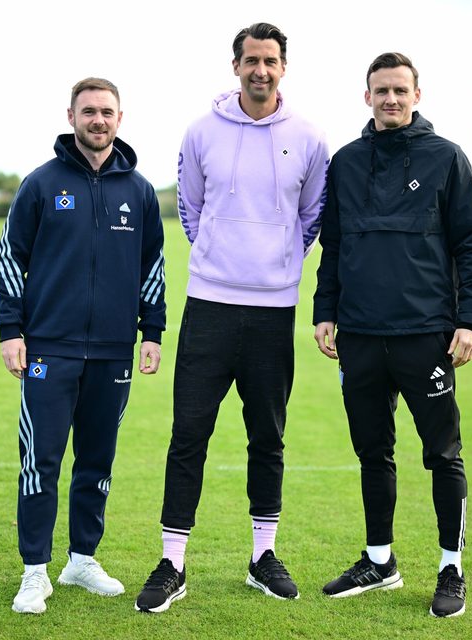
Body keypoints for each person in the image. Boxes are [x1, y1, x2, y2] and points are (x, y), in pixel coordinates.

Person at [134, 22, 329, 613]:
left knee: (267, 437)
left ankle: (261, 557)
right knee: (188, 434)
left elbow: (313, 214)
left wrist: (279, 263)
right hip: (210, 306)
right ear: (235, 64)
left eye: (271, 61)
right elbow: (190, 208)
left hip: (272, 313)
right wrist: (218, 258)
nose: (261, 70)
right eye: (251, 60)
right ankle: (173, 563)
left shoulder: (310, 137)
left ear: (284, 67)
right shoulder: (201, 131)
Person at [311, 52, 472, 618]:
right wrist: (325, 309)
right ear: (366, 97)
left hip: (425, 336)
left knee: (443, 455)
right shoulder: (344, 162)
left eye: (399, 90)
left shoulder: (446, 159)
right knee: (373, 453)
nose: (390, 99)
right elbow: (334, 246)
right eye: (380, 91)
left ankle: (451, 568)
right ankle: (380, 560)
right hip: (361, 336)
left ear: (417, 96)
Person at [0, 77, 166, 615]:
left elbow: (153, 266)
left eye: (107, 112)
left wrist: (152, 332)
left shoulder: (137, 190)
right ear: (71, 115)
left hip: (114, 351)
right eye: (89, 111)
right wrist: (10, 330)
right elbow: (9, 257)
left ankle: (81, 559)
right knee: (40, 459)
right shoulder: (41, 184)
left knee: (97, 460)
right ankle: (34, 572)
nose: (98, 120)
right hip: (49, 348)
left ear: (121, 117)